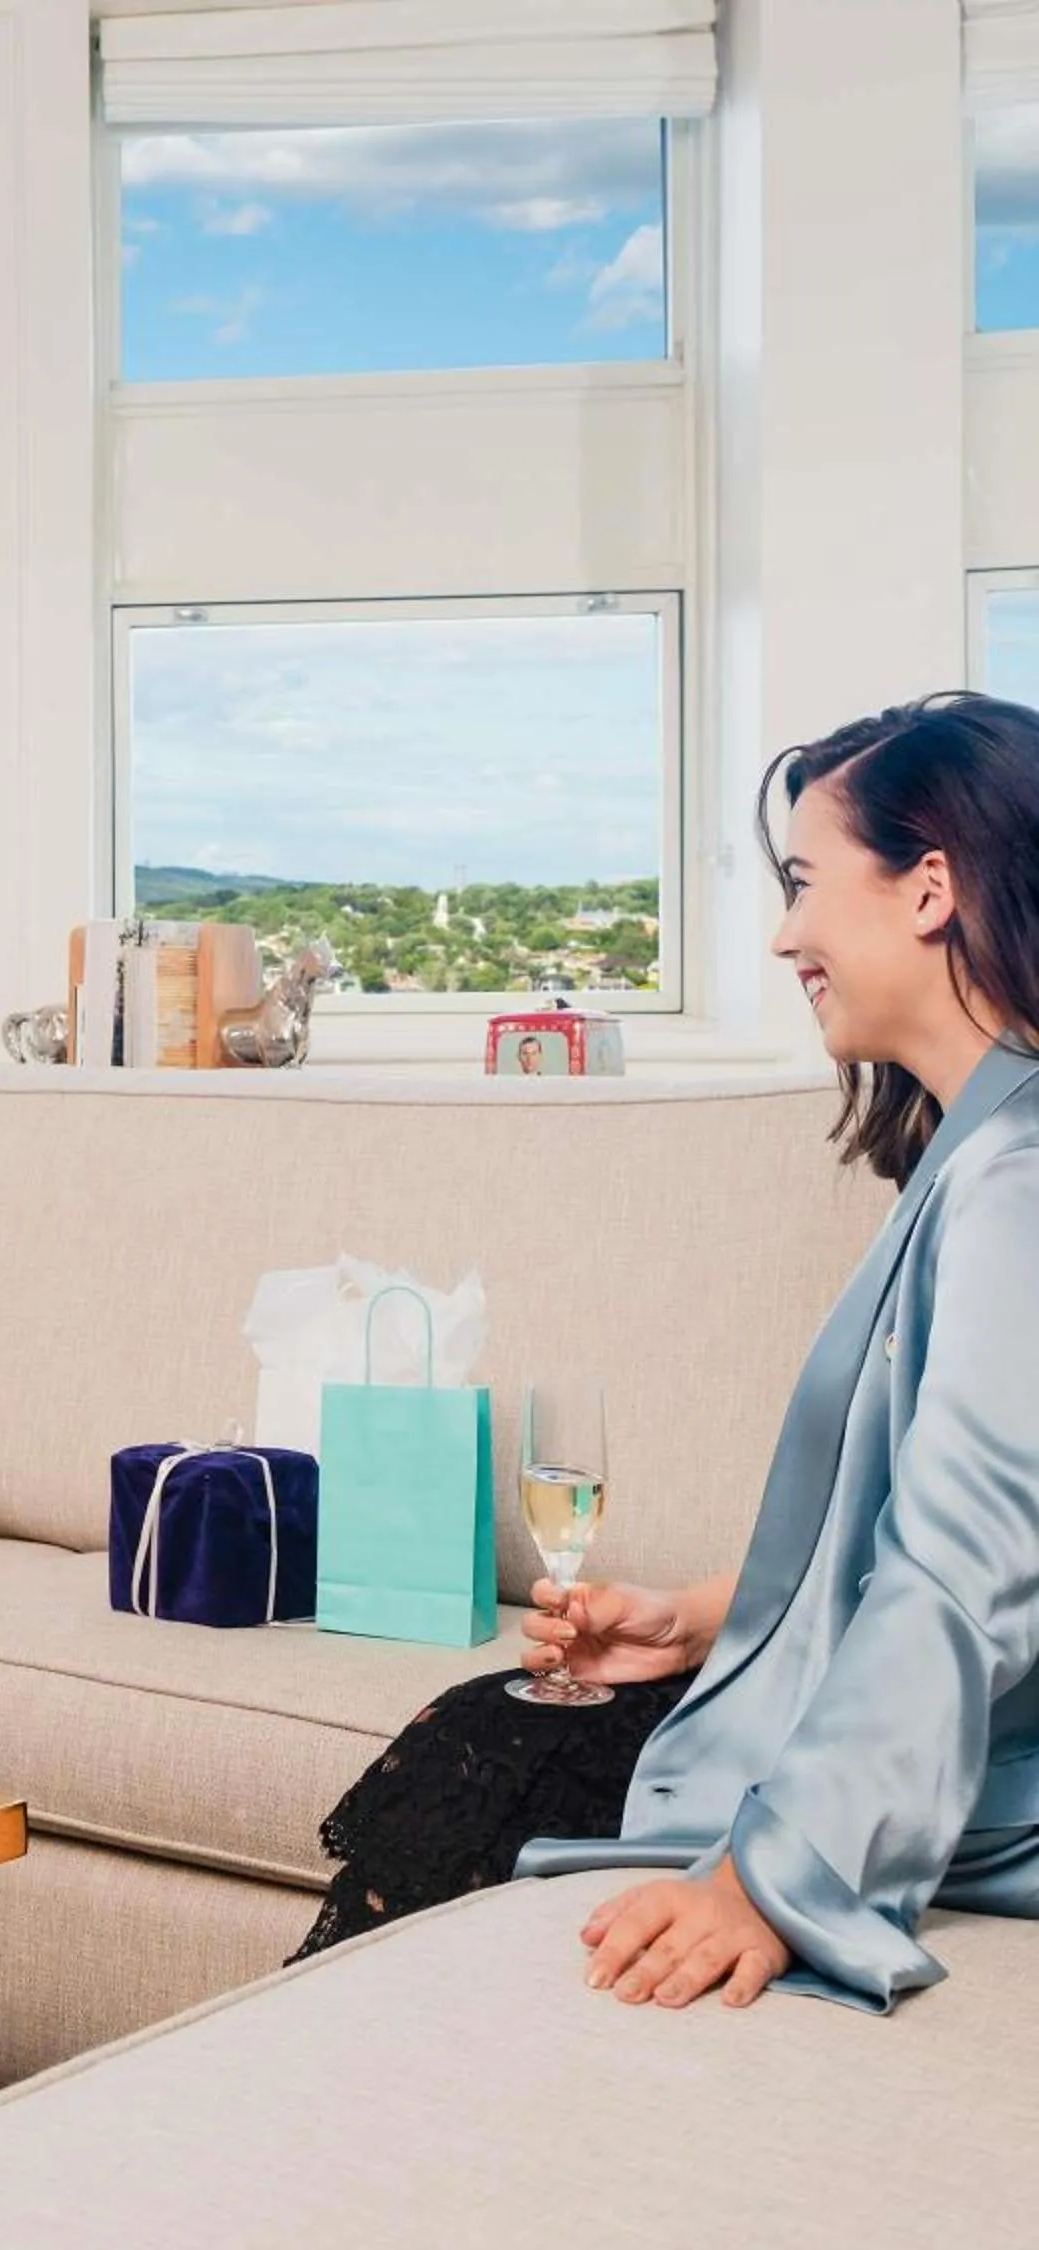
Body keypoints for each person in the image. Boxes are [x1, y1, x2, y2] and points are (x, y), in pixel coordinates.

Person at [296, 693, 1039, 2013]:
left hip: (977, 1782)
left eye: (807, 882)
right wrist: (700, 1622)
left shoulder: (1021, 1180)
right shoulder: (974, 1149)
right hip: (916, 1732)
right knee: (495, 1729)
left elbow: (968, 1572)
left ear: (930, 887)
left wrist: (767, 1879)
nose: (785, 930)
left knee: (487, 1754)